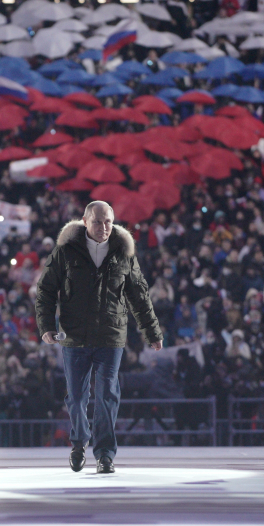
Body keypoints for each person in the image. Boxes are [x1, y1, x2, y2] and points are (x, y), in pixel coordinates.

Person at [36, 201, 163, 473]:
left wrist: (151, 331)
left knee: (107, 395)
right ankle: (79, 443)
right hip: (74, 336)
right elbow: (46, 290)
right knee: (77, 397)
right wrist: (46, 325)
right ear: (84, 221)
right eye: (97, 221)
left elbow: (138, 295)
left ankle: (105, 454)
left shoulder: (123, 252)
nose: (103, 227)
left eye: (108, 222)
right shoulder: (66, 250)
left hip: (110, 335)